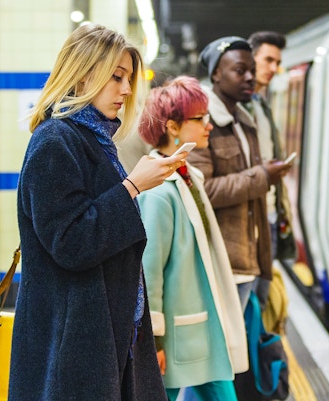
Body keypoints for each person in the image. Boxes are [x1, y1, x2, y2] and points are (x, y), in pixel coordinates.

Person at [10, 24, 186, 401]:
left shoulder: (92, 139)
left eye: (128, 79)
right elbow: (71, 243)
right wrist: (133, 186)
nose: (125, 90)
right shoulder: (54, 142)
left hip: (103, 332)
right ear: (85, 73)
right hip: (73, 343)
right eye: (117, 77)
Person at [136, 75, 248, 401]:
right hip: (177, 334)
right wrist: (154, 340)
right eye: (199, 119)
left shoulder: (187, 175)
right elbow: (149, 269)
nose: (208, 125)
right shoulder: (159, 193)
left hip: (196, 327)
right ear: (172, 127)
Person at [188, 36, 290, 311]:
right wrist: (263, 177)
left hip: (250, 258)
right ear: (216, 74)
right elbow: (201, 191)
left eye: (251, 71)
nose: (250, 78)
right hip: (223, 265)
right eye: (239, 70)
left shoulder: (244, 122)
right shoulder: (202, 122)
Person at [247, 31, 295, 311]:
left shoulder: (261, 106)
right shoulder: (236, 109)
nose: (274, 69)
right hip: (252, 221)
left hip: (270, 215)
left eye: (277, 62)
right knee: (252, 304)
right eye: (268, 60)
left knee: (261, 302)